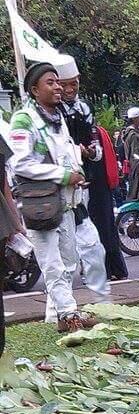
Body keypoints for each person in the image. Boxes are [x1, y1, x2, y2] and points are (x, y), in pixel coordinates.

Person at [9, 62, 97, 332]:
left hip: (67, 202)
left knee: (69, 261)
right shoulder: (24, 120)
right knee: (52, 263)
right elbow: (21, 163)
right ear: (34, 89)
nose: (58, 87)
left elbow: (65, 155)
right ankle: (70, 315)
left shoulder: (57, 118)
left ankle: (55, 315)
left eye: (58, 82)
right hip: (40, 204)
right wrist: (62, 175)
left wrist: (77, 170)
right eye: (50, 82)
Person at [57, 54, 127, 284]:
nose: (69, 89)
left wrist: (86, 152)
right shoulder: (52, 110)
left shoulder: (85, 107)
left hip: (92, 171)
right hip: (64, 169)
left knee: (101, 221)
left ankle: (108, 268)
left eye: (73, 84)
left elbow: (94, 144)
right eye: (64, 84)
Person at [122, 107, 139, 200]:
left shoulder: (128, 132)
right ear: (134, 119)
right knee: (135, 190)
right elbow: (136, 154)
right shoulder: (134, 134)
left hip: (132, 165)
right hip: (136, 166)